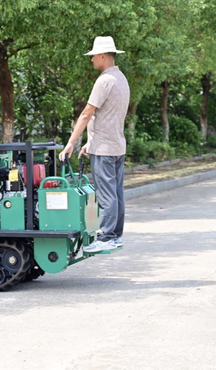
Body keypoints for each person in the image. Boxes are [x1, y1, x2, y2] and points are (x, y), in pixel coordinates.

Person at [59, 36, 130, 253]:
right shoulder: (121, 79)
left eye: (93, 57)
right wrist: (91, 142)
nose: (91, 61)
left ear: (102, 56)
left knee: (106, 195)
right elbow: (107, 117)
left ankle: (107, 236)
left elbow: (86, 113)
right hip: (117, 146)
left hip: (105, 150)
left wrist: (70, 142)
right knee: (116, 194)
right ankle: (116, 235)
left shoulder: (104, 81)